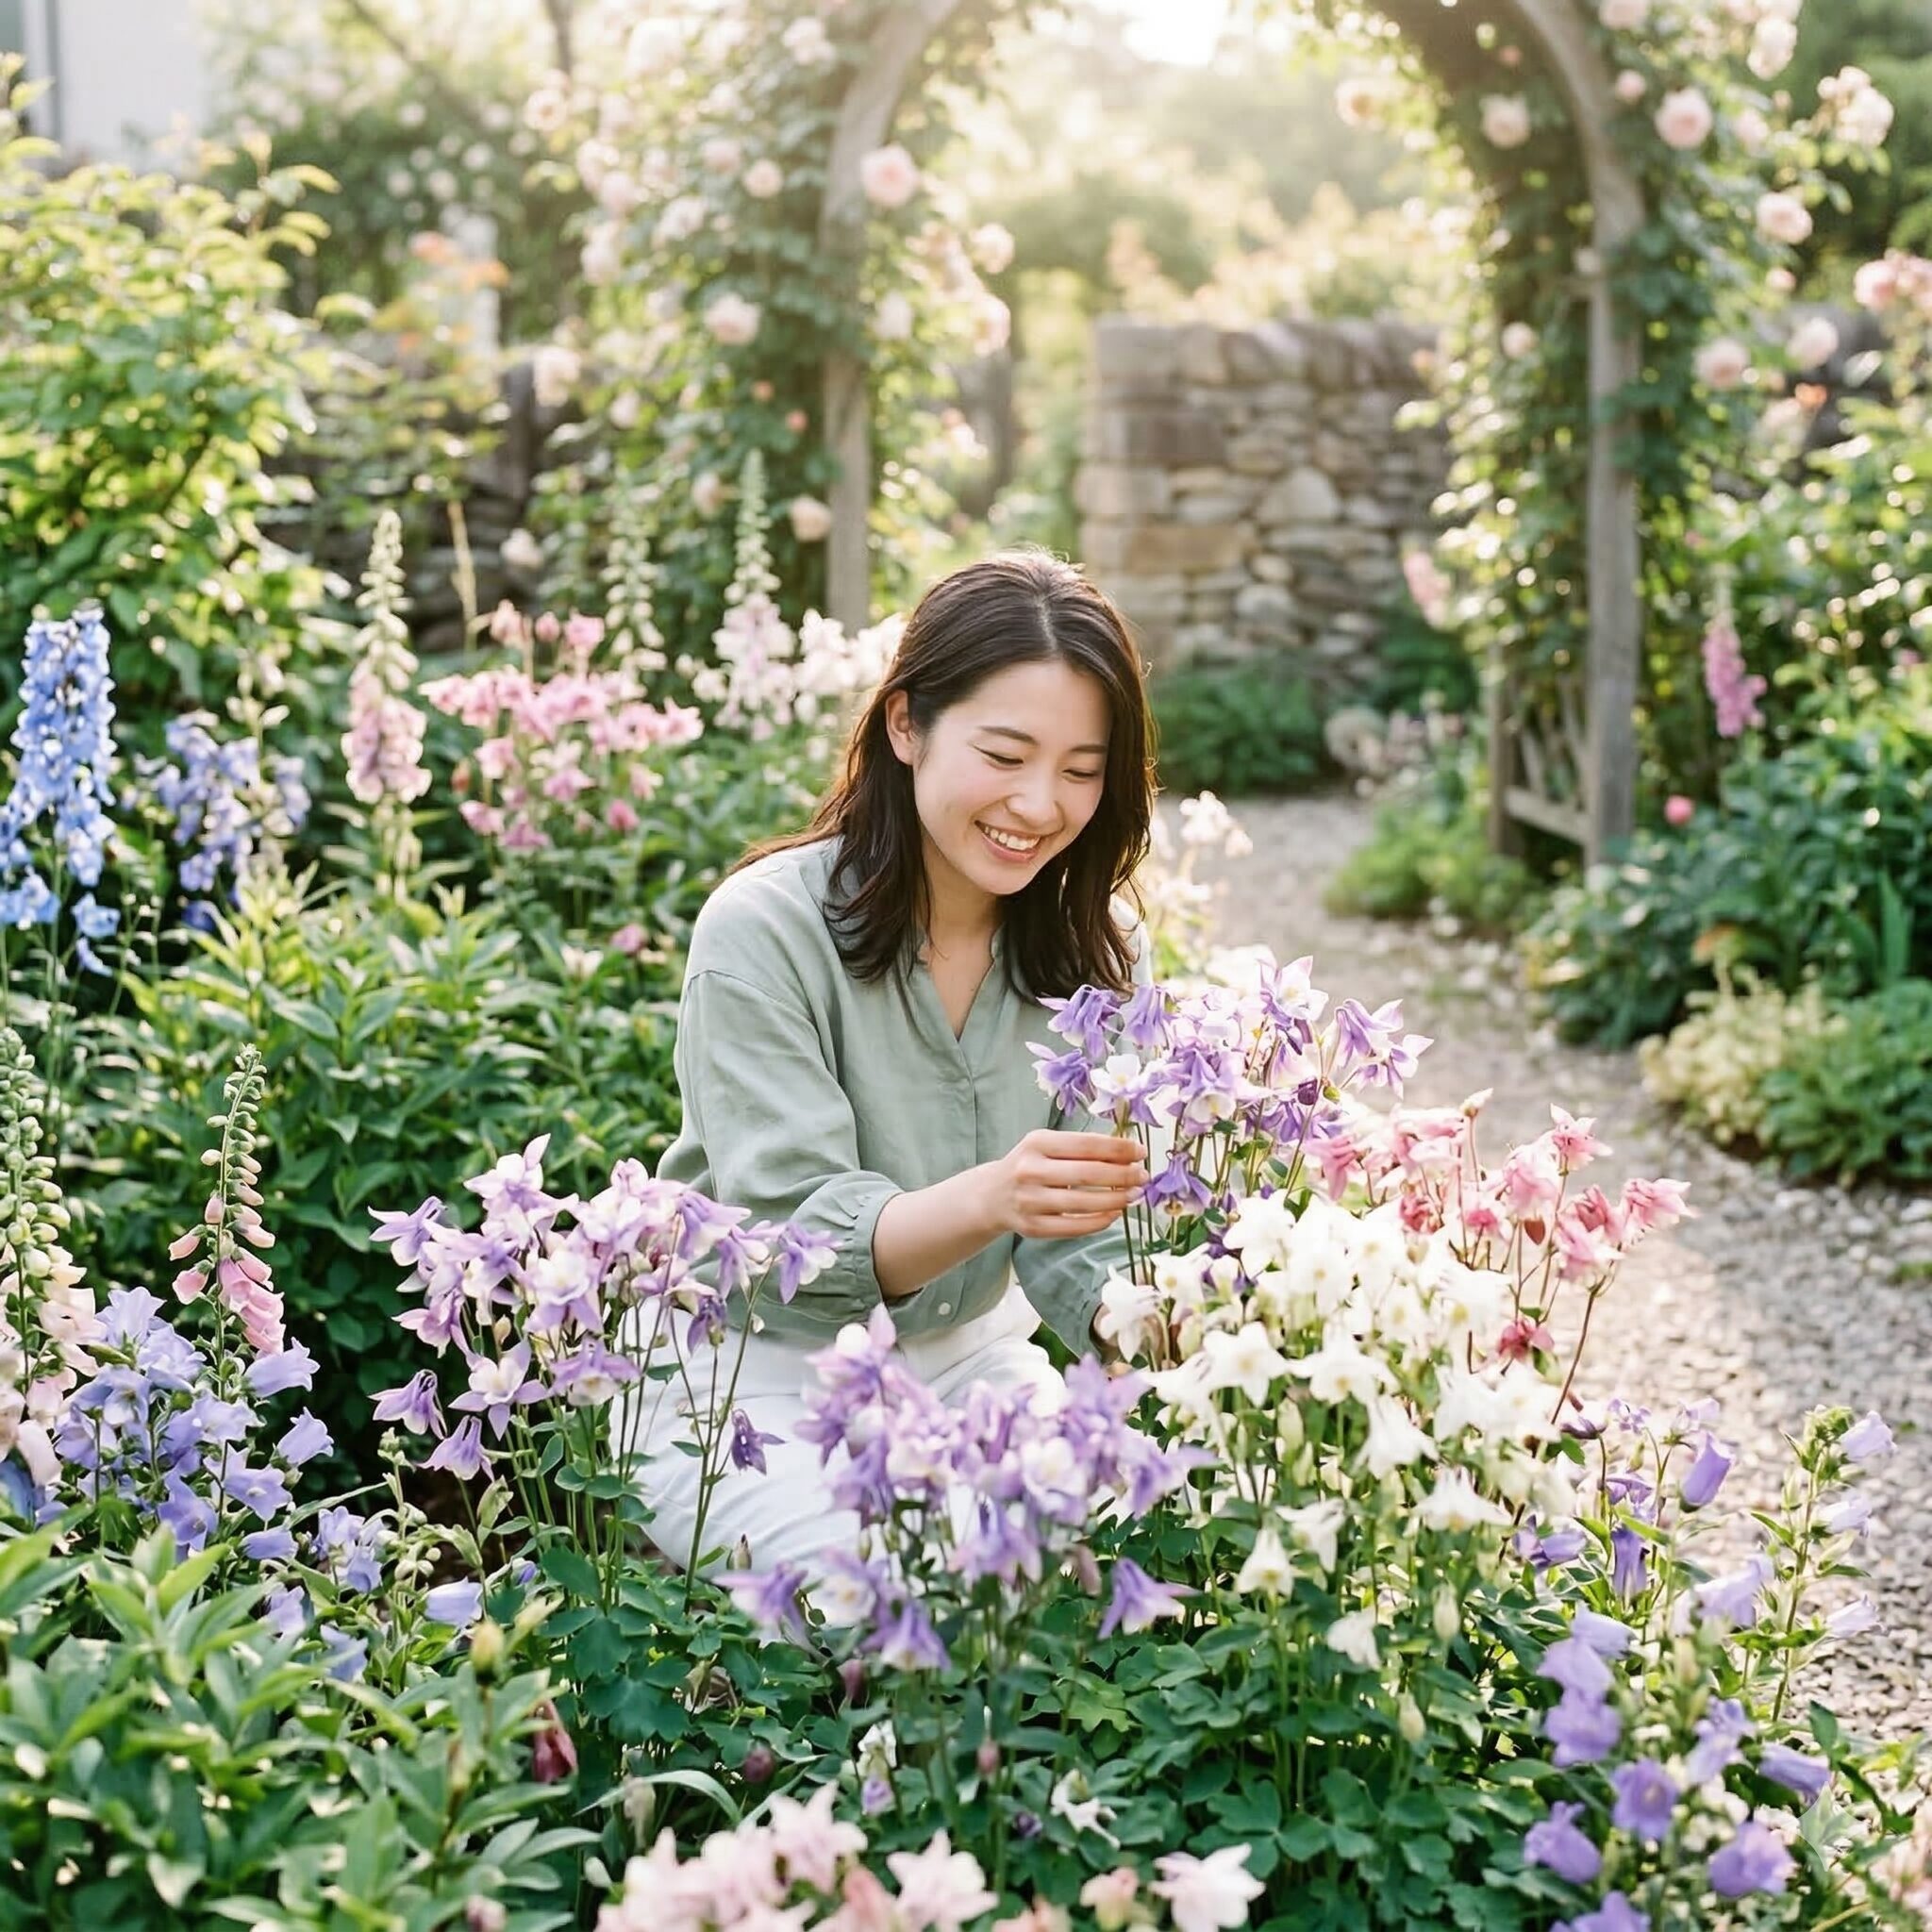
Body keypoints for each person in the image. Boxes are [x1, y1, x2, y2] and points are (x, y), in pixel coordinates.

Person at [617, 547, 1155, 1574]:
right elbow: (790, 1245)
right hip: (740, 1374)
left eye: (1081, 772)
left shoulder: (1099, 948)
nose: (1039, 804)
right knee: (903, 1594)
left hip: (965, 1359)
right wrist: (997, 1195)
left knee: (1114, 1551)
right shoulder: (763, 928)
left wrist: (1177, 1356)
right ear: (904, 723)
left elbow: (1078, 1245)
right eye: (1004, 755)